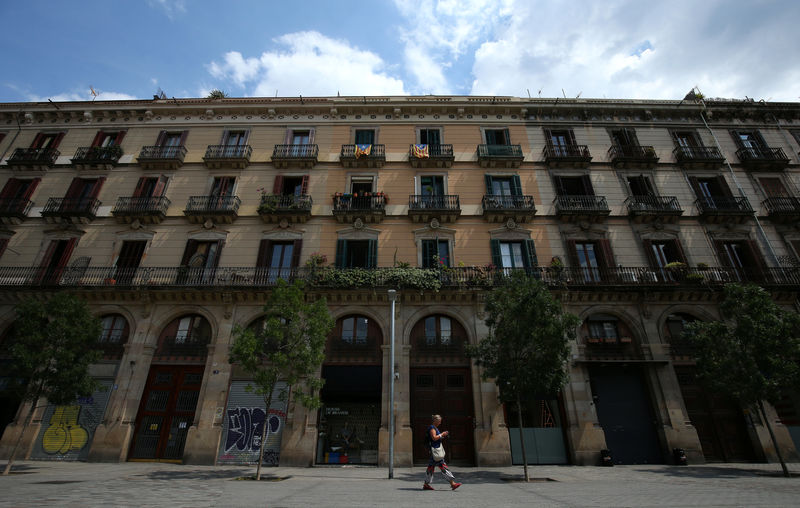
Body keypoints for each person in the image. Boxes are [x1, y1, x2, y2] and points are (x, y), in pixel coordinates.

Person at [422, 414, 462, 491]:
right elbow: (434, 438)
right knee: (442, 466)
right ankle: (452, 483)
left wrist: (441, 436)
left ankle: (426, 484)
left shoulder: (434, 428)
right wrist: (442, 434)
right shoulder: (432, 428)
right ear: (435, 421)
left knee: (431, 467)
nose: (440, 423)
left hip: (434, 451)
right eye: (439, 421)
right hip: (435, 450)